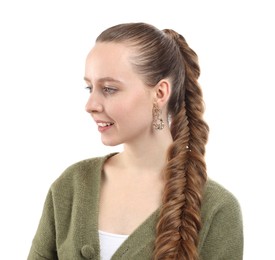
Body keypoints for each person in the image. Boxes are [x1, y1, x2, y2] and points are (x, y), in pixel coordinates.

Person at [27, 22, 243, 260]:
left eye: (109, 89)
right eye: (89, 88)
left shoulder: (216, 209)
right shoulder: (71, 185)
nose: (90, 106)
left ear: (160, 94)